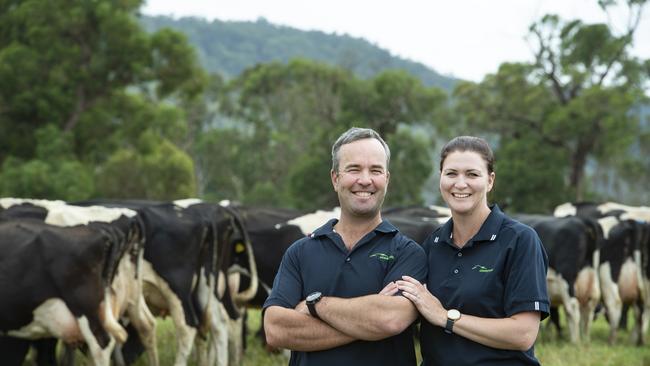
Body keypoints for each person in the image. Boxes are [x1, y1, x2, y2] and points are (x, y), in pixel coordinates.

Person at [263, 127, 427, 366]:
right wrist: (366, 321)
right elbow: (276, 329)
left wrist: (314, 304)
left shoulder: (409, 253)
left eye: (375, 170)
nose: (365, 179)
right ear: (335, 178)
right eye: (354, 169)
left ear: (387, 179)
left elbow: (389, 320)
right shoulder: (300, 252)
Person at [397, 136, 549, 365]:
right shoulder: (433, 243)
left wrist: (445, 317)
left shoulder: (520, 240)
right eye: (451, 174)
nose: (460, 184)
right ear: (440, 179)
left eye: (472, 174)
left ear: (490, 181)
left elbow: (523, 334)